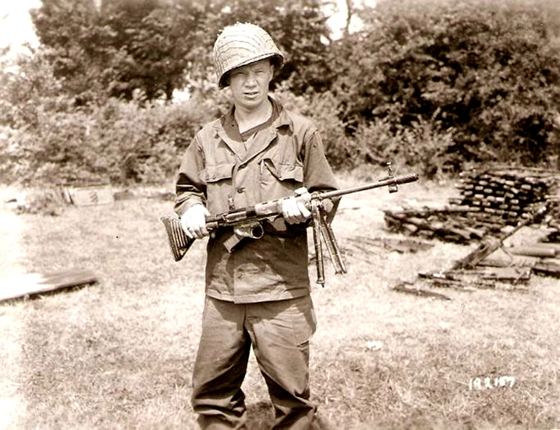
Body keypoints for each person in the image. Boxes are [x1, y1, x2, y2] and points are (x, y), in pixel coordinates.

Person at [174, 22, 339, 430]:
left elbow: (326, 195)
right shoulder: (207, 138)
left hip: (281, 287)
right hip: (223, 291)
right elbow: (186, 190)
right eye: (240, 75)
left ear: (272, 72)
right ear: (226, 83)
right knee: (212, 396)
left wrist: (309, 209)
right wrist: (191, 211)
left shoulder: (300, 132)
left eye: (259, 71)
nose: (251, 83)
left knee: (293, 399)